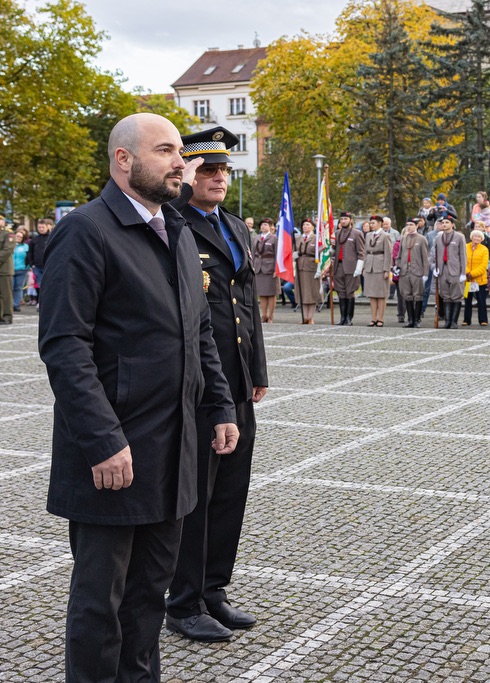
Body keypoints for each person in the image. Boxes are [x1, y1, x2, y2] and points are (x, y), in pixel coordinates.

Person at [38, 113, 239, 682]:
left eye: (181, 151)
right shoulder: (86, 230)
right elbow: (64, 346)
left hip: (172, 450)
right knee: (102, 604)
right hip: (113, 456)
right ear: (123, 160)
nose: (183, 162)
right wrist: (103, 441)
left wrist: (219, 407)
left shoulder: (175, 230)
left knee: (150, 596)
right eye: (166, 151)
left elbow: (197, 331)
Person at [166, 126, 268, 643]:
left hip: (238, 377)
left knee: (231, 491)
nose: (219, 178)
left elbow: (245, 305)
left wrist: (259, 374)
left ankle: (214, 591)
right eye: (208, 170)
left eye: (224, 170)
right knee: (197, 495)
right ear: (185, 174)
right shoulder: (173, 224)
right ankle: (182, 601)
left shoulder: (234, 226)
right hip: (201, 385)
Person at [432, 213, 467, 328]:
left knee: (456, 295)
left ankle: (454, 321)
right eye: (442, 223)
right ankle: (447, 321)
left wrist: (463, 272)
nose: (444, 224)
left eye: (447, 222)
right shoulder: (438, 237)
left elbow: (463, 255)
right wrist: (435, 267)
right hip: (443, 269)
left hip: (455, 269)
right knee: (446, 295)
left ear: (452, 224)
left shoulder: (459, 237)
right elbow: (435, 254)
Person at [331, 211, 364, 326]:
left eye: (345, 219)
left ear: (351, 220)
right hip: (338, 266)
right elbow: (334, 249)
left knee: (349, 292)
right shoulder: (336, 233)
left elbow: (361, 252)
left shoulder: (357, 234)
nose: (343, 221)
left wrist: (359, 267)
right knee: (341, 292)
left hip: (351, 267)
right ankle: (342, 317)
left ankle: (349, 318)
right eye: (341, 219)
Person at [398, 220, 429, 327]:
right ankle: (410, 319)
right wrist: (397, 267)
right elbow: (399, 256)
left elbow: (425, 258)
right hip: (405, 271)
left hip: (417, 271)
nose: (409, 227)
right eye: (407, 225)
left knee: (418, 295)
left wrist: (425, 273)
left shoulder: (421, 239)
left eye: (411, 225)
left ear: (416, 226)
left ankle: (417, 319)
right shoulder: (403, 239)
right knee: (407, 295)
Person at [362, 215, 393, 326]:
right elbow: (365, 252)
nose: (371, 225)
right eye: (370, 223)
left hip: (380, 267)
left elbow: (388, 254)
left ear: (380, 223)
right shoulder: (368, 235)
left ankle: (381, 318)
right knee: (372, 294)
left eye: (373, 223)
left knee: (381, 294)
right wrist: (364, 267)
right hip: (370, 265)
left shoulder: (385, 236)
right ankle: (373, 318)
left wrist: (386, 269)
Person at [294, 218, 322, 324]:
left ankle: (310, 317)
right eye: (304, 225)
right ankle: (304, 317)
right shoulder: (298, 238)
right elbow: (295, 250)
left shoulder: (316, 238)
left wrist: (320, 268)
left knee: (312, 292)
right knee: (303, 292)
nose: (305, 226)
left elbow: (321, 254)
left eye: (307, 225)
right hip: (301, 267)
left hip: (312, 267)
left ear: (312, 227)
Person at [252, 218, 278, 322]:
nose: (263, 226)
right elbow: (253, 253)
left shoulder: (274, 238)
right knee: (262, 293)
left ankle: (270, 315)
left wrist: (277, 269)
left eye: (266, 225)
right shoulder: (256, 238)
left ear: (271, 227)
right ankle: (264, 315)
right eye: (262, 225)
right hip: (258, 267)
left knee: (271, 293)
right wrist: (252, 265)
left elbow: (277, 254)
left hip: (270, 267)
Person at [463, 229, 489, 326]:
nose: (477, 238)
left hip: (480, 280)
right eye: (475, 236)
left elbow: (483, 265)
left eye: (479, 237)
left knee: (481, 301)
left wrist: (472, 274)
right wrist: (467, 272)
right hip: (467, 280)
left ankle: (483, 320)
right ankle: (466, 320)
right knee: (467, 300)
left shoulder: (484, 249)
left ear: (481, 239)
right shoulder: (465, 247)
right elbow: (462, 261)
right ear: (471, 237)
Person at [26, 217, 53, 307]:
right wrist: (31, 264)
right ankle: (41, 302)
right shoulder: (35, 239)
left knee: (48, 285)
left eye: (43, 227)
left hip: (48, 266)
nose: (41, 229)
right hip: (37, 266)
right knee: (40, 285)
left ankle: (48, 302)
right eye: (39, 227)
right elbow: (30, 252)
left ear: (47, 227)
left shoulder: (51, 237)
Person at [11, 229, 29, 312]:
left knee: (18, 288)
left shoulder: (25, 247)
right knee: (10, 287)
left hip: (22, 269)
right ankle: (9, 304)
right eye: (17, 236)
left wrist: (28, 267)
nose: (18, 238)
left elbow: (29, 257)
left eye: (20, 237)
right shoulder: (10, 245)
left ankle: (16, 304)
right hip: (11, 269)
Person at [0, 220, 13, 324]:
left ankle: (7, 316)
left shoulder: (8, 234)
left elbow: (7, 250)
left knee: (6, 294)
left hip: (4, 269)